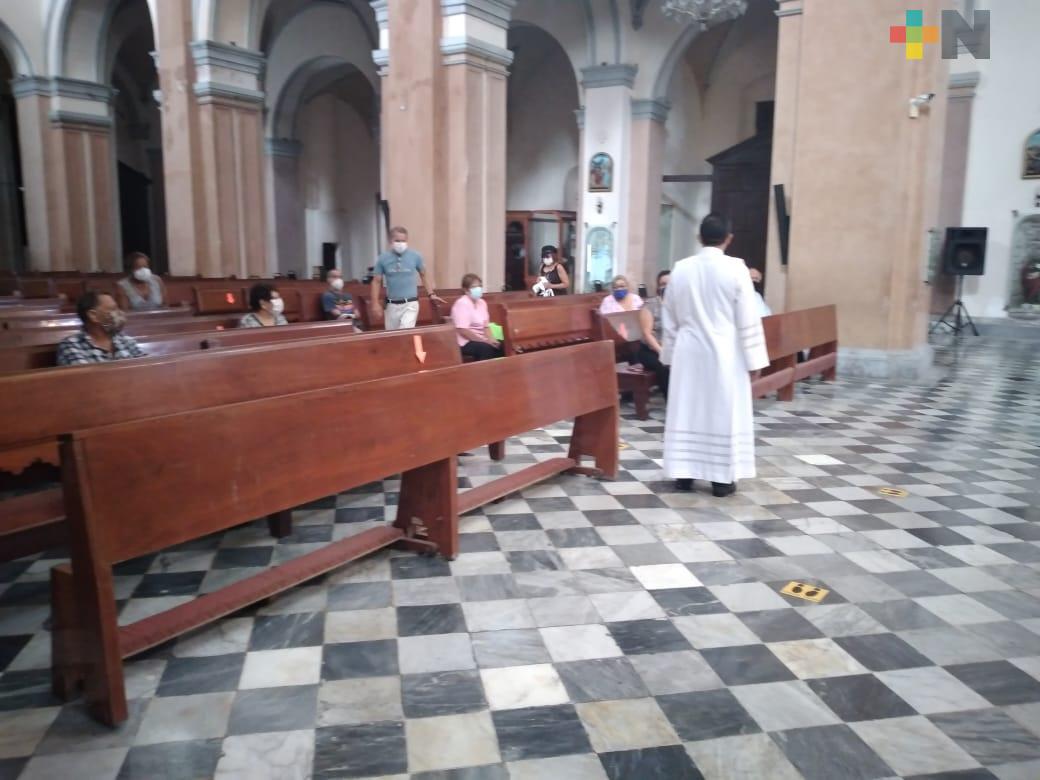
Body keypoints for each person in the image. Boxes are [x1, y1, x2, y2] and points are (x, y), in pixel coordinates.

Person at [662, 213, 769, 498]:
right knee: (721, 412)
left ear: (699, 237)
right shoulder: (736, 269)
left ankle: (683, 474)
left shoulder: (681, 269)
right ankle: (721, 480)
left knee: (687, 409)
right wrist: (755, 359)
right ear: (728, 239)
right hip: (724, 352)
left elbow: (669, 316)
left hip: (688, 351)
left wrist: (670, 355)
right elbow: (748, 317)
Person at [371, 226, 444, 330]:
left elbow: (423, 275)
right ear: (391, 241)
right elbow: (376, 282)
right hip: (391, 305)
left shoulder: (415, 256)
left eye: (403, 241)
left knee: (404, 332)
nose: (400, 243)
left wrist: (431, 294)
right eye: (397, 240)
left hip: (410, 303)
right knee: (392, 338)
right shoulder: (383, 258)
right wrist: (375, 303)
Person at [56, 291, 145, 366]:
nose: (120, 314)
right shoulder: (71, 345)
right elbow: (87, 380)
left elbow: (146, 368)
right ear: (93, 315)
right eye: (113, 309)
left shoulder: (126, 340)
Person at [451, 273, 502, 361]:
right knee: (486, 349)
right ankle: (483, 374)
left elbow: (486, 326)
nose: (478, 289)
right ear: (466, 290)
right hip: (465, 341)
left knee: (502, 346)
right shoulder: (461, 303)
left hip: (481, 339)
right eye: (474, 287)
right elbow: (463, 330)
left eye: (480, 286)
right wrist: (484, 341)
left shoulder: (482, 302)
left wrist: (492, 339)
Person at [637, 269, 671, 398]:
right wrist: (662, 351)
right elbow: (647, 333)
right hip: (651, 350)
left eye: (670, 284)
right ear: (658, 287)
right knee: (664, 365)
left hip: (672, 347)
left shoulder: (678, 305)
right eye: (663, 284)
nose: (667, 287)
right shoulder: (650, 305)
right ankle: (670, 401)